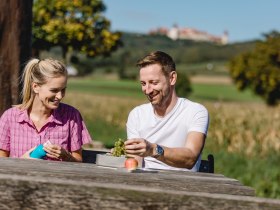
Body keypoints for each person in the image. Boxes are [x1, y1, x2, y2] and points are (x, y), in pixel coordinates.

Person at [125, 51, 209, 171]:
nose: (147, 90)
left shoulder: (196, 112)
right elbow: (135, 165)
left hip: (184, 187)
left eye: (154, 82)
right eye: (143, 84)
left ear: (172, 78)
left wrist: (153, 150)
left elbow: (190, 158)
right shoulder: (136, 115)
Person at [0, 58, 92, 162]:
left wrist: (66, 156)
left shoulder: (72, 116)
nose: (60, 96)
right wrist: (21, 161)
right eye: (54, 90)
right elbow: (2, 163)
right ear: (35, 87)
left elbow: (79, 160)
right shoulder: (10, 117)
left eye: (63, 90)